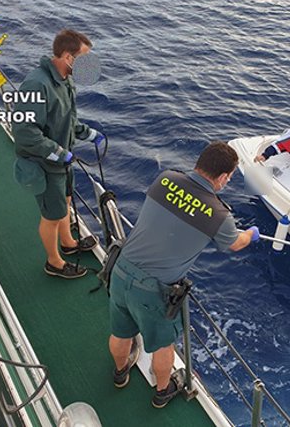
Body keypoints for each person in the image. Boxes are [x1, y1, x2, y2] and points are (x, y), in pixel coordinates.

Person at [108, 141, 258, 408]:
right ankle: (162, 392)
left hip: (119, 271)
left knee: (121, 332)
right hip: (153, 291)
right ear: (223, 177)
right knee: (163, 347)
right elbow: (235, 244)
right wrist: (251, 234)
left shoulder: (165, 179)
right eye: (230, 177)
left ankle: (120, 374)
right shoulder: (219, 214)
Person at [12, 29, 103, 279]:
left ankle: (68, 242)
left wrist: (86, 133)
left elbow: (66, 118)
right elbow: (25, 131)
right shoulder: (36, 84)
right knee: (52, 215)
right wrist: (57, 152)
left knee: (66, 203)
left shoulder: (65, 79)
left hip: (63, 160)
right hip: (45, 163)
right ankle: (54, 262)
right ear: (67, 57)